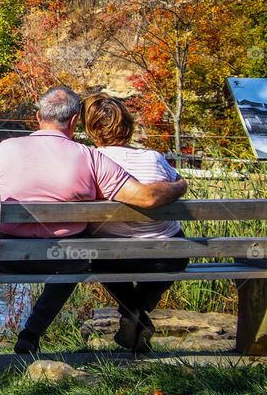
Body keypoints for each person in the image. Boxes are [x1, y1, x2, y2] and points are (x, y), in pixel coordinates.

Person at [0, 86, 187, 354]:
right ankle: (30, 334)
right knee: (79, 257)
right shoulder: (89, 157)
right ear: (73, 121)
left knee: (82, 255)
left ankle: (17, 338)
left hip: (5, 257)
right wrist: (180, 185)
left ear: (37, 117)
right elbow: (146, 198)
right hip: (63, 259)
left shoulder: (5, 148)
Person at [81, 92, 190, 352]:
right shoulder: (153, 158)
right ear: (128, 126)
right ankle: (135, 313)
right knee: (179, 249)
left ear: (92, 130)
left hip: (111, 257)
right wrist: (181, 185)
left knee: (94, 253)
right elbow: (177, 182)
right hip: (166, 256)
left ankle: (131, 313)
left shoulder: (90, 161)